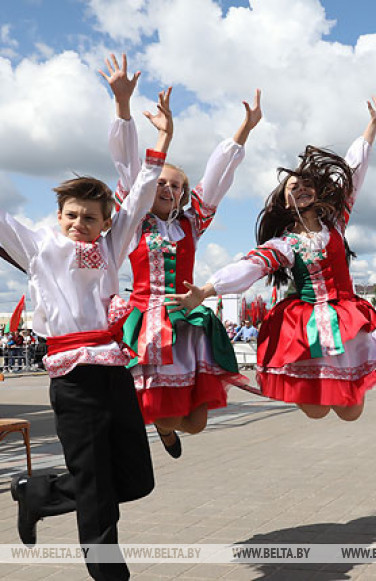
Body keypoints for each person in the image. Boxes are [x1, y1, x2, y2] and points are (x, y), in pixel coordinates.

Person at [3, 88, 171, 579]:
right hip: (72, 377)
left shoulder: (113, 247)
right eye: (72, 215)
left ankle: (37, 493)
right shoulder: (38, 249)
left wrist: (153, 131)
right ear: (59, 217)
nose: (80, 223)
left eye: (90, 217)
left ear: (104, 223)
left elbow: (140, 192)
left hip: (113, 370)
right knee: (96, 486)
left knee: (136, 479)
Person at [171, 98, 376, 422]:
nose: (300, 188)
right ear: (285, 203)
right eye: (292, 187)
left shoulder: (336, 224)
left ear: (317, 192)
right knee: (316, 412)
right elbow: (248, 267)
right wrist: (205, 290)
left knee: (351, 412)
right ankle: (305, 380)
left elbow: (354, 171)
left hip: (345, 317)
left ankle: (330, 379)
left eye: (305, 184)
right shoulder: (284, 245)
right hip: (307, 324)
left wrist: (372, 127)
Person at [101, 54, 258, 459]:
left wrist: (244, 129)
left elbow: (219, 176)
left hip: (185, 322)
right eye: (162, 183)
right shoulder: (134, 220)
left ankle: (167, 430)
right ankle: (160, 428)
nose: (168, 189)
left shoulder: (192, 222)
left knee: (198, 422)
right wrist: (123, 105)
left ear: (185, 193)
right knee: (163, 414)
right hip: (145, 322)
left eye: (176, 185)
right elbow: (129, 165)